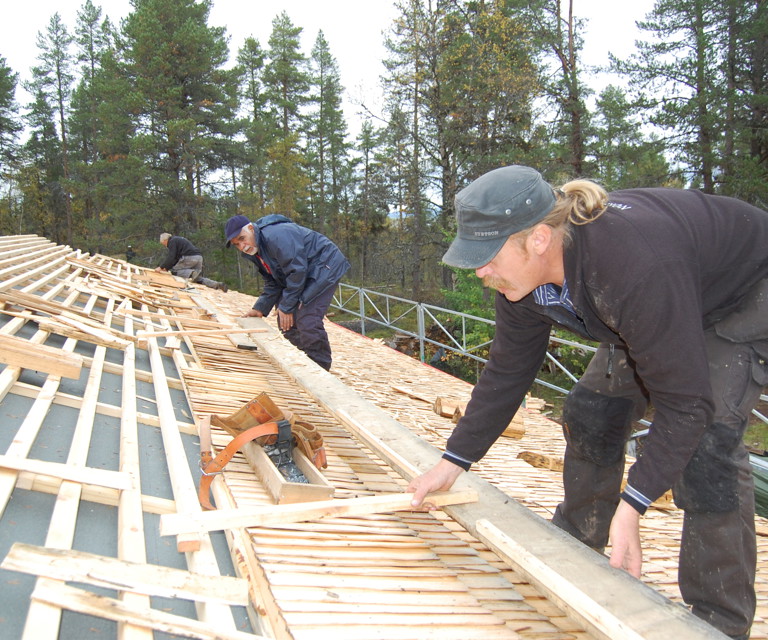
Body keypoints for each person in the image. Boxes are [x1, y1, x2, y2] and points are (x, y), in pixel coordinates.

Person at [407, 165, 768, 640]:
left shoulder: (631, 263)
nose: (480, 271)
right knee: (592, 411)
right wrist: (454, 461)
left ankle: (717, 621)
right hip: (659, 302)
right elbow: (508, 372)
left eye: (487, 256)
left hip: (742, 296)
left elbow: (687, 406)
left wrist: (633, 507)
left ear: (537, 239)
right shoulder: (523, 283)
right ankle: (579, 542)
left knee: (707, 447)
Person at [224, 214, 350, 371]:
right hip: (302, 272)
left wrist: (287, 306)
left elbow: (296, 270)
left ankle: (321, 368)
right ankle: (308, 358)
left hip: (324, 265)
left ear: (251, 228)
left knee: (307, 318)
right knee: (286, 325)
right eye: (237, 244)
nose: (242, 246)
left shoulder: (277, 236)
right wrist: (260, 308)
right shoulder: (256, 251)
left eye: (242, 238)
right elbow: (273, 281)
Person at [155, 233, 227, 291]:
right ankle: (217, 285)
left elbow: (171, 257)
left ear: (165, 240)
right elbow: (175, 259)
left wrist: (161, 267)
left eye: (163, 243)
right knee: (197, 279)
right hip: (199, 258)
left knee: (174, 271)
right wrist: (166, 268)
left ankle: (192, 273)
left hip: (190, 258)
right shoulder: (177, 240)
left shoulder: (172, 241)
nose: (165, 245)